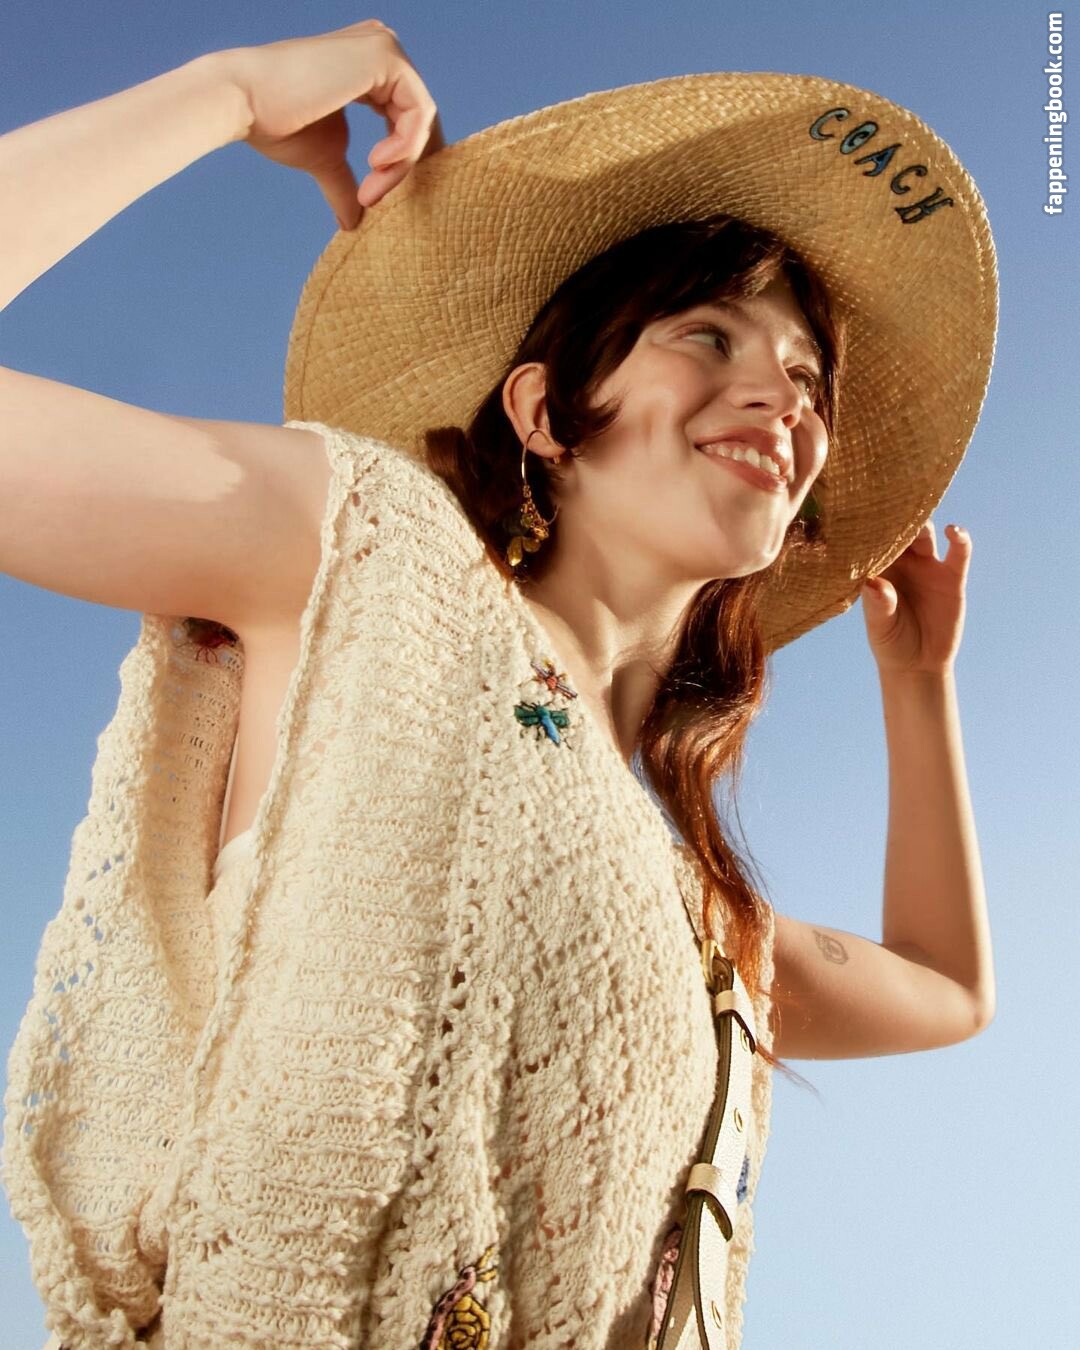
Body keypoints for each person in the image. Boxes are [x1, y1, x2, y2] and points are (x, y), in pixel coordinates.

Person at [0, 19, 998, 1350]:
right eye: (709, 335)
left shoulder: (696, 918)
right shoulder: (365, 557)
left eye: (809, 377)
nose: (784, 394)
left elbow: (944, 987)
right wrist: (225, 90)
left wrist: (919, 683)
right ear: (542, 412)